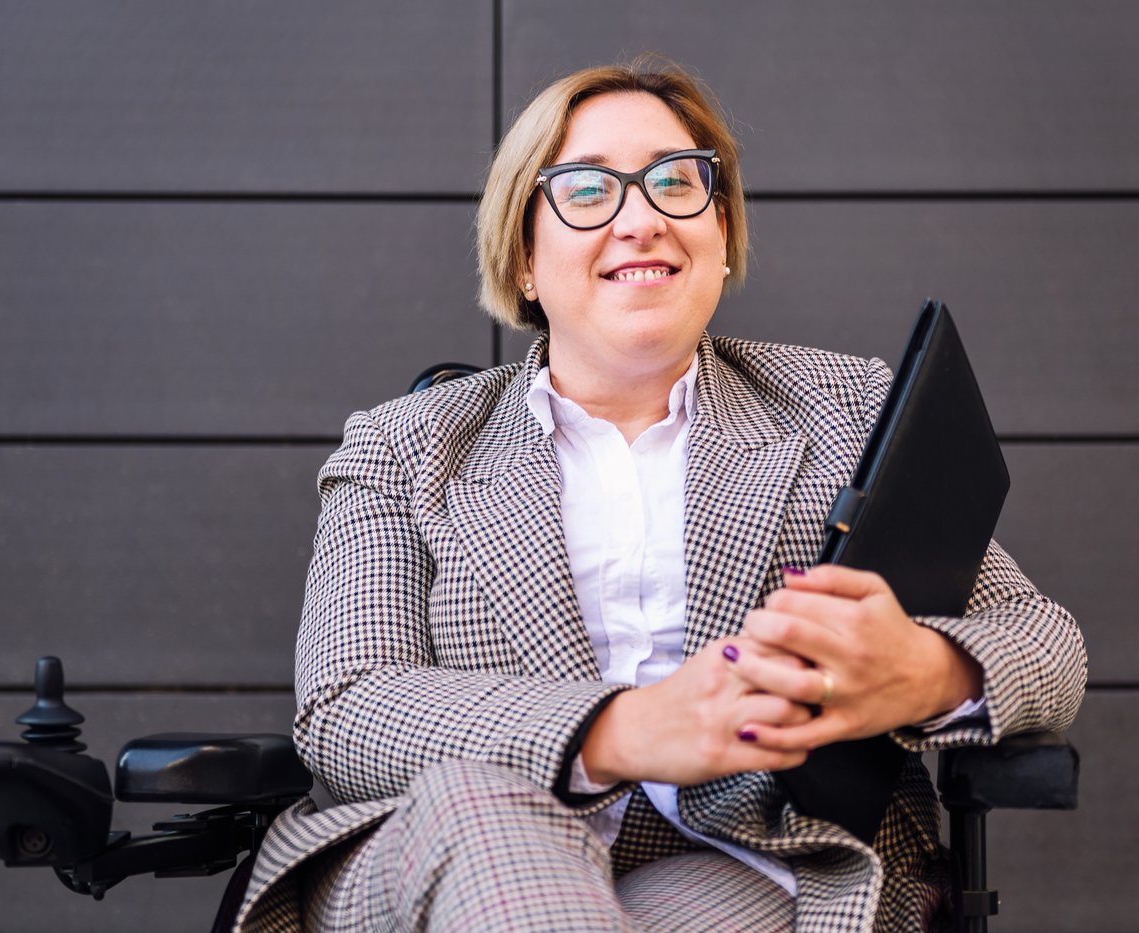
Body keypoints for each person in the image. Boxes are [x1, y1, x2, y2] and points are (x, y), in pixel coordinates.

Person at [234, 60, 1086, 933]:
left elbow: (1043, 640)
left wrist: (922, 671)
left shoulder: (847, 409)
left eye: (676, 182)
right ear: (524, 258)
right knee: (477, 806)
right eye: (587, 190)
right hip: (448, 857)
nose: (641, 219)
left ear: (721, 233)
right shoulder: (403, 447)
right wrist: (628, 728)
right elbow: (348, 704)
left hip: (752, 855)